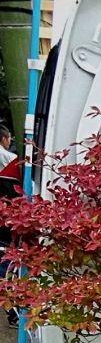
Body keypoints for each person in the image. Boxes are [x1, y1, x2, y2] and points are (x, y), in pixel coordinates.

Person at [0, 125, 24, 326]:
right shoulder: (10, 161)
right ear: (4, 139)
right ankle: (14, 312)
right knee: (7, 265)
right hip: (7, 220)